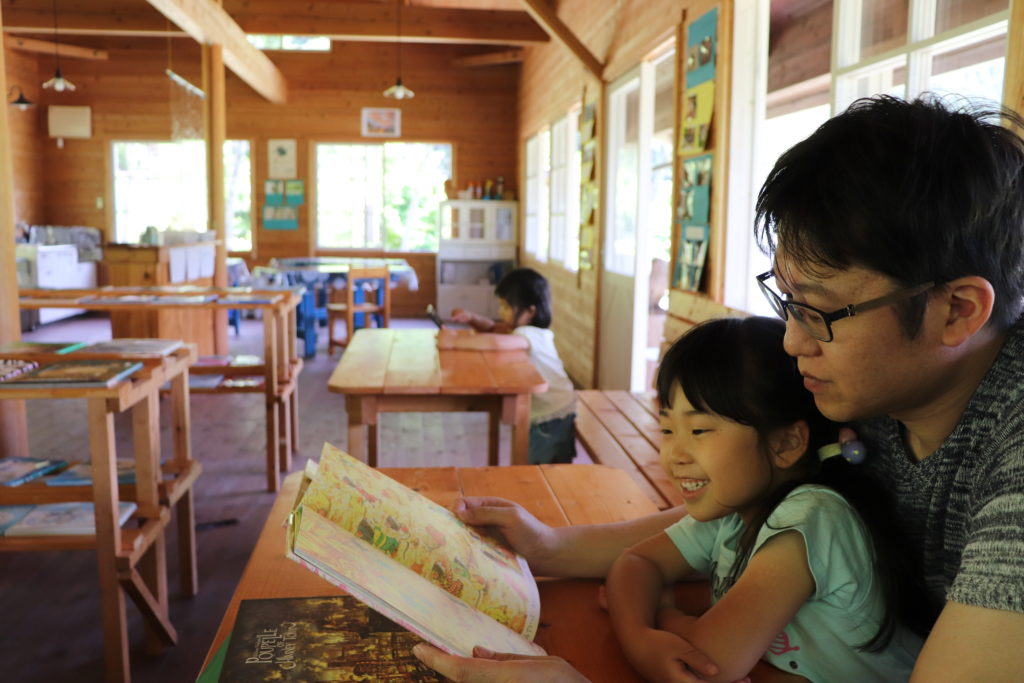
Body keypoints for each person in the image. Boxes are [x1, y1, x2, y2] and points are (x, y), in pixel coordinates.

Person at [417, 94, 1024, 681]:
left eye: (819, 311)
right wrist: (548, 546)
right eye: (787, 303)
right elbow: (723, 513)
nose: (791, 342)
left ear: (958, 310)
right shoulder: (877, 389)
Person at [605, 317, 929, 683]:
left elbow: (705, 665)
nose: (674, 454)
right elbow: (636, 562)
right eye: (667, 429)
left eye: (698, 430)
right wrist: (640, 635)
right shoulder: (734, 509)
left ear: (785, 443)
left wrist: (664, 614)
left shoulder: (811, 517)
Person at [440, 267, 576, 465]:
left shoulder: (531, 334)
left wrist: (453, 342)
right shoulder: (522, 330)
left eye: (505, 307)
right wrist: (470, 318)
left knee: (540, 472)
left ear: (530, 311)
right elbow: (493, 329)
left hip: (551, 418)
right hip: (550, 412)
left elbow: (495, 342)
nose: (499, 312)